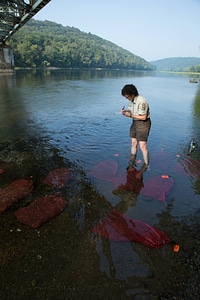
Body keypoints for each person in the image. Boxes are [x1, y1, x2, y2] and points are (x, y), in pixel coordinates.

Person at [121, 84, 151, 168]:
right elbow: (132, 111)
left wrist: (129, 116)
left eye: (127, 97)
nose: (127, 99)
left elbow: (143, 116)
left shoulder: (142, 101)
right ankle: (132, 159)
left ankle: (146, 164)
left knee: (142, 145)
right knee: (133, 143)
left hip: (143, 123)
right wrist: (125, 111)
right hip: (135, 122)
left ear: (133, 94)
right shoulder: (131, 100)